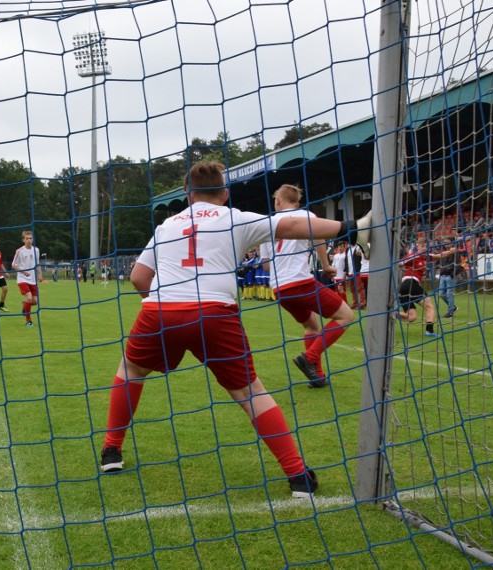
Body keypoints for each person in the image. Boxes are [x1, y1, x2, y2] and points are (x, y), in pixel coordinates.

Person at [99, 161, 370, 499]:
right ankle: (298, 476)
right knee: (249, 393)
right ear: (225, 194)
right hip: (216, 314)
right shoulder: (236, 218)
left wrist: (164, 307)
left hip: (159, 311)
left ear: (187, 194)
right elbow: (293, 224)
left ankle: (111, 451)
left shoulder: (166, 225)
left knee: (131, 371)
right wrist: (351, 227)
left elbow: (139, 277)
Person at [259, 184, 355, 388]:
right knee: (346, 316)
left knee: (311, 325)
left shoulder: (266, 224)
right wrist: (327, 266)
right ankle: (309, 357)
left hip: (279, 289)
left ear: (277, 201)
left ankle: (317, 376)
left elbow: (266, 265)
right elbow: (319, 237)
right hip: (300, 281)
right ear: (297, 201)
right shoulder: (306, 215)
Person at [397, 237, 437, 336]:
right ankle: (430, 331)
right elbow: (400, 263)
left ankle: (389, 314)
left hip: (404, 288)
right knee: (429, 306)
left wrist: (451, 251)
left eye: (426, 246)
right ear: (417, 247)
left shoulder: (425, 257)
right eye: (422, 246)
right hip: (410, 283)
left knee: (411, 317)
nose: (424, 248)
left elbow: (439, 256)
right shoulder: (413, 256)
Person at [11, 230, 42, 327]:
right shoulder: (19, 251)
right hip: (22, 278)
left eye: (30, 238)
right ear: (23, 240)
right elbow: (13, 265)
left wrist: (40, 274)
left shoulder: (36, 250)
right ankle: (28, 321)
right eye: (27, 238)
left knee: (35, 301)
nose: (29, 240)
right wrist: (24, 271)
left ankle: (25, 305)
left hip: (33, 280)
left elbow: (37, 264)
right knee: (29, 297)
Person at [432, 236, 459, 318]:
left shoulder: (455, 252)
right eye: (445, 242)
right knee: (441, 294)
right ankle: (453, 307)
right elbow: (440, 262)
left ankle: (450, 311)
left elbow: (457, 264)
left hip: (450, 276)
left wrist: (452, 274)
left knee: (449, 294)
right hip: (443, 275)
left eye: (447, 242)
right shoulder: (444, 252)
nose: (446, 244)